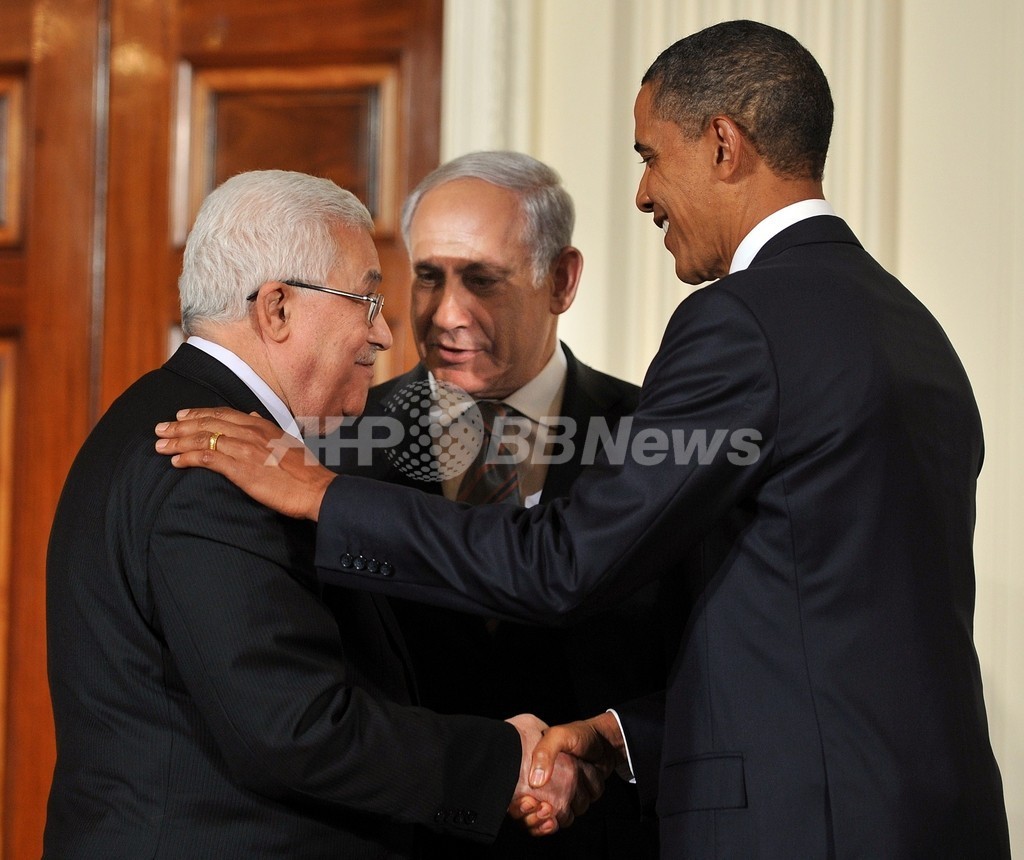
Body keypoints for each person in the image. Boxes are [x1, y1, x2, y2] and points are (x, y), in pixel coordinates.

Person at [154, 21, 1011, 859]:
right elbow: (815, 624)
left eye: (649, 156)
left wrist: (326, 496)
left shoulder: (742, 323)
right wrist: (618, 735)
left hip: (803, 825)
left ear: (722, 145)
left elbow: (563, 563)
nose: (642, 194)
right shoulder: (914, 332)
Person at [45, 169, 597, 859]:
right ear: (275, 308)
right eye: (366, 299)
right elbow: (295, 725)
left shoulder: (189, 425)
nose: (387, 334)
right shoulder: (210, 462)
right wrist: (504, 760)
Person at [330, 150, 667, 859]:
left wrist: (607, 747)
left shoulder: (655, 441)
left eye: (482, 279)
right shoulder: (337, 447)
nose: (447, 314)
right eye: (428, 278)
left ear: (562, 280)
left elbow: (712, 670)